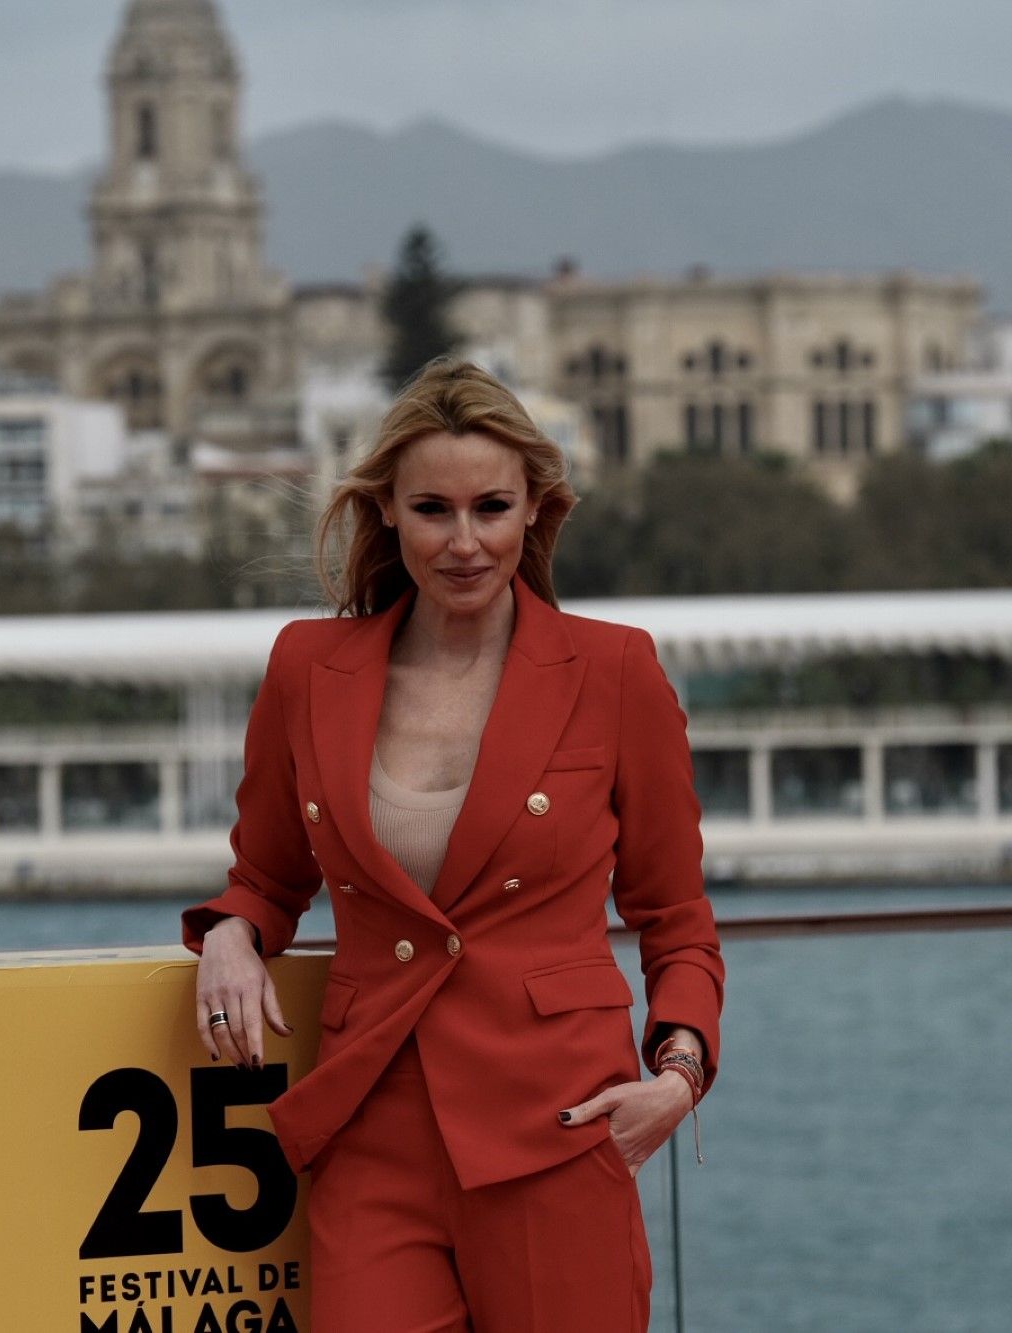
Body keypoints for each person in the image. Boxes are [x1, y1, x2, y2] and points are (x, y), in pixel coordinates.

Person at [182, 358, 725, 1332]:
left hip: (558, 1126)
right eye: (433, 508)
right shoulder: (308, 668)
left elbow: (674, 916)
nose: (464, 541)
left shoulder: (613, 671)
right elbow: (266, 876)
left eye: (491, 507)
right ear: (384, 510)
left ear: (533, 511)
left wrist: (677, 1072)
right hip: (369, 1127)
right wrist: (229, 935)